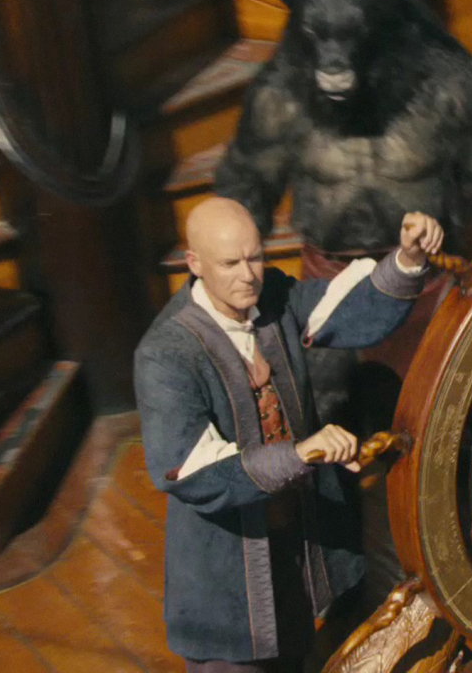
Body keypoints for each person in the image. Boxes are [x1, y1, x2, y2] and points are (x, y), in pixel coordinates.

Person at [134, 196, 443, 672]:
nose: (248, 275)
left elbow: (347, 309)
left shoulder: (272, 296)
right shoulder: (165, 354)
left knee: (297, 651)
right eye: (230, 263)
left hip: (295, 547)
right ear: (194, 264)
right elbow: (189, 468)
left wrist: (408, 258)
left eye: (255, 257)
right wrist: (298, 453)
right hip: (226, 577)